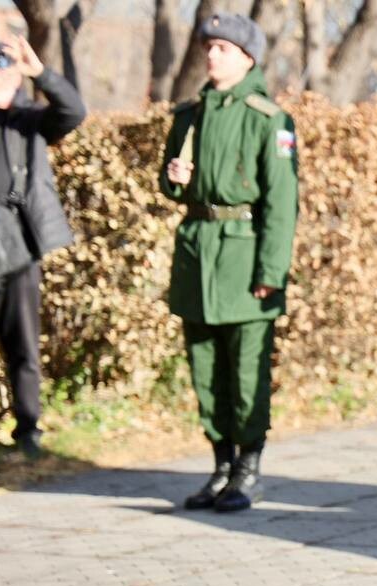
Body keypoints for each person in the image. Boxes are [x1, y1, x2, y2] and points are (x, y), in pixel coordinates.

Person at [160, 13, 298, 512]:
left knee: (245, 374)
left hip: (245, 259)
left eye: (222, 48)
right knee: (205, 370)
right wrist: (175, 177)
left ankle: (248, 468)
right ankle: (220, 464)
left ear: (247, 57)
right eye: (208, 46)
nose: (211, 55)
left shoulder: (268, 118)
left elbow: (282, 204)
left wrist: (269, 272)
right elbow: (171, 184)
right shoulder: (188, 115)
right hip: (197, 256)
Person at [0, 35, 86, 457]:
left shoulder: (30, 118)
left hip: (18, 245)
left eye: (5, 67)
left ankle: (28, 430)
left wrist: (41, 73)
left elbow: (73, 111)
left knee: (23, 345)